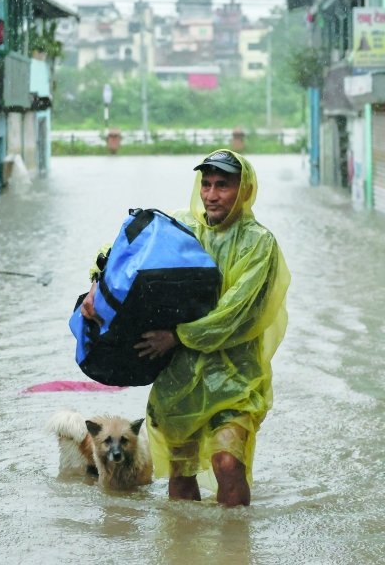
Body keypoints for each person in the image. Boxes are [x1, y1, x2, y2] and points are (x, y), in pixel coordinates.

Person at [80, 150, 290, 507]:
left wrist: (176, 336)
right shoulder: (181, 227)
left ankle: (235, 548)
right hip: (178, 378)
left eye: (223, 185)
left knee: (228, 464)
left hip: (234, 378)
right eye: (206, 184)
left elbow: (236, 314)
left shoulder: (259, 243)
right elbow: (121, 249)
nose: (211, 194)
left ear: (245, 190)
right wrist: (98, 283)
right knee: (180, 474)